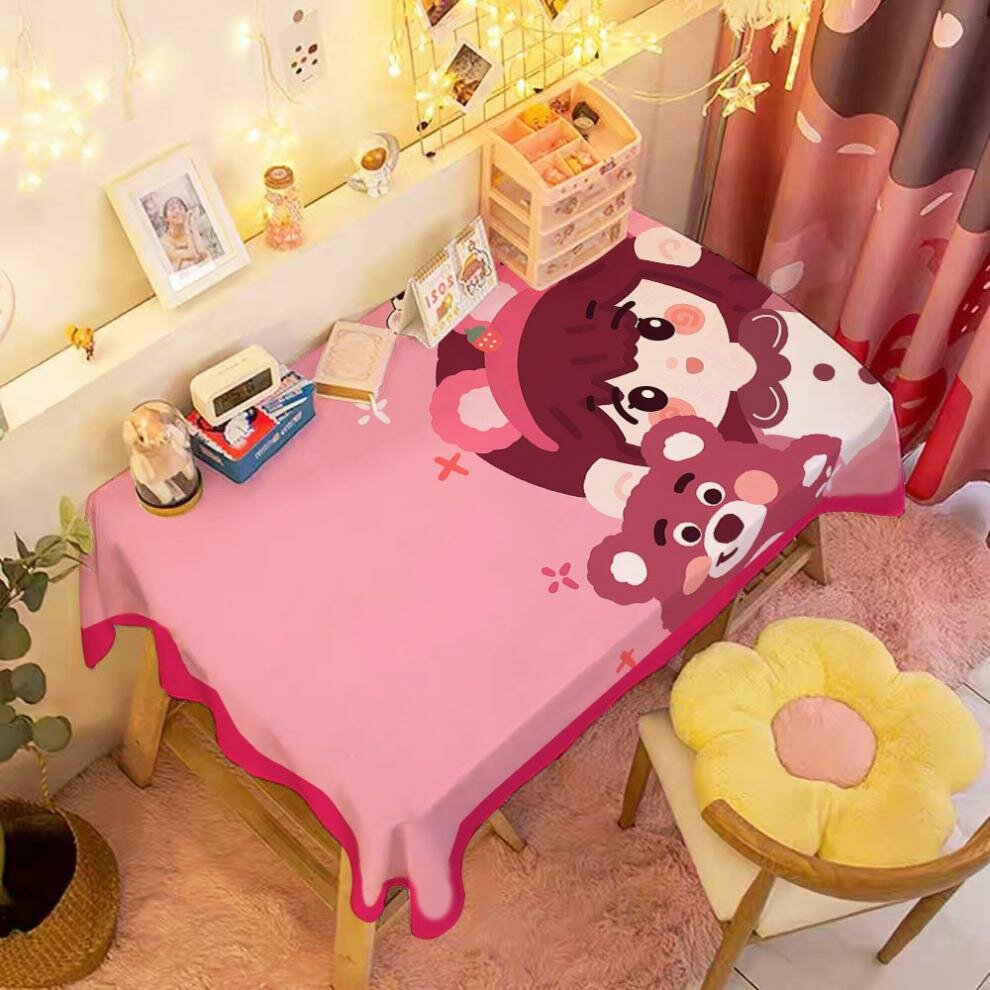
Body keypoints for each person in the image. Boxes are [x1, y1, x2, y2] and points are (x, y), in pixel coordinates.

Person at [160, 196, 209, 271]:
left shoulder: (192, 232)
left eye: (180, 208)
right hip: (184, 275)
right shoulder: (165, 243)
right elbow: (192, 254)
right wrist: (186, 225)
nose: (177, 211)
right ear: (166, 218)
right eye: (172, 209)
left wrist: (191, 222)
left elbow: (203, 253)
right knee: (185, 264)